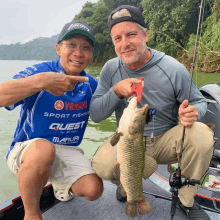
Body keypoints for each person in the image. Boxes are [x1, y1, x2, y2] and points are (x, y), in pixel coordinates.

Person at [89, 5, 214, 220]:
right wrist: (116, 91)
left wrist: (192, 112)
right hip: (127, 141)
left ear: (145, 35)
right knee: (102, 164)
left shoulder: (173, 68)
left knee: (202, 135)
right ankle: (126, 186)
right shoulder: (110, 69)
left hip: (164, 139)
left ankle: (186, 200)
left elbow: (199, 102)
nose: (125, 43)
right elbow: (96, 114)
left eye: (131, 34)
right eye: (117, 38)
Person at [0, 21, 103, 220]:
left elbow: (108, 107)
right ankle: (31, 214)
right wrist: (40, 82)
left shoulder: (90, 84)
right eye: (71, 44)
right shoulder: (39, 73)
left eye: (85, 48)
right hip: (29, 150)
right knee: (43, 150)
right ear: (58, 48)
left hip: (66, 150)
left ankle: (60, 186)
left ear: (90, 54)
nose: (78, 53)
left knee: (93, 189)